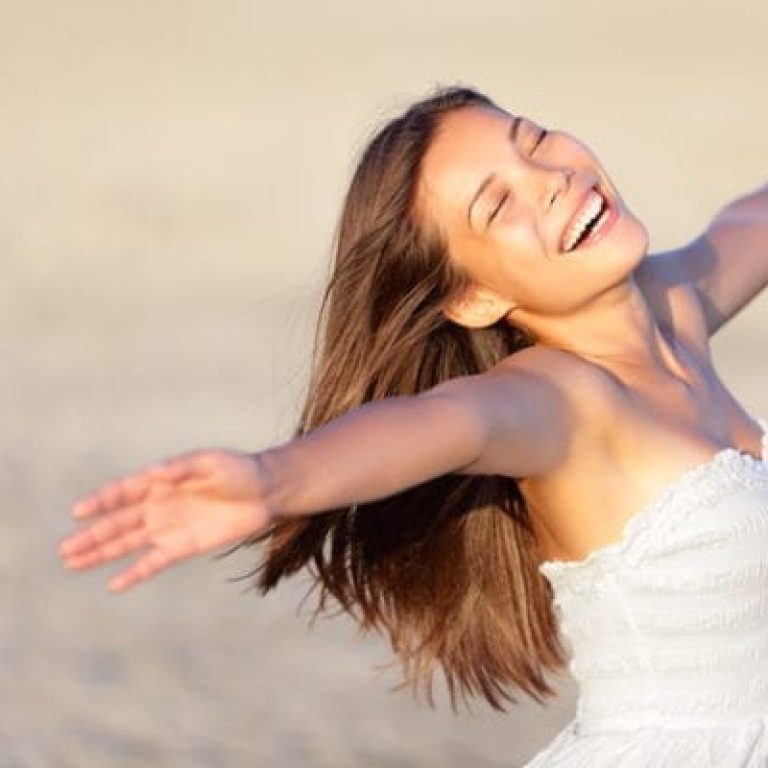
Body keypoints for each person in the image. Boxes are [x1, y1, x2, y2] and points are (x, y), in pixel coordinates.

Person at [58, 86, 768, 765]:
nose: (549, 177)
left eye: (536, 140)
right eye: (498, 205)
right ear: (476, 297)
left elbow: (748, 223)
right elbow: (441, 423)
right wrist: (276, 479)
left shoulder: (676, 307)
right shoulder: (558, 401)